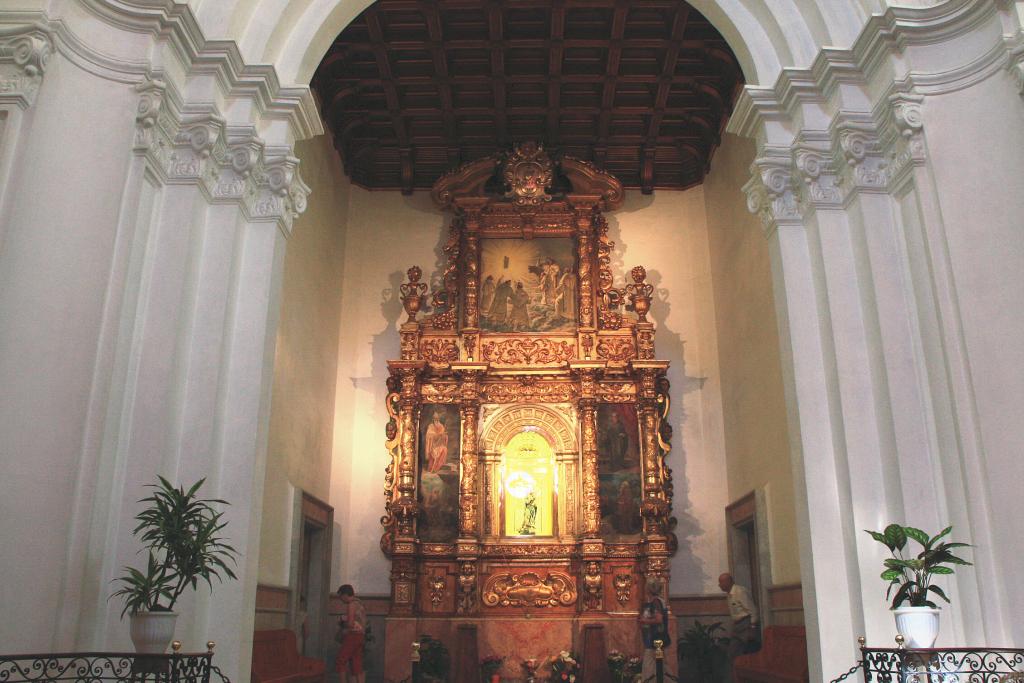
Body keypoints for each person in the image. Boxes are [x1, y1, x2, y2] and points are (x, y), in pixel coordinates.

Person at [719, 572, 760, 656]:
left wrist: (752, 628)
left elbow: (752, 610)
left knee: (748, 652)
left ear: (728, 582)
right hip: (737, 626)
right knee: (733, 652)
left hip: (746, 624)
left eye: (721, 582)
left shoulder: (740, 591)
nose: (719, 585)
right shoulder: (729, 594)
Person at [639, 576, 670, 682]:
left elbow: (659, 619)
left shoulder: (656, 602)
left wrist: (644, 621)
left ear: (649, 588)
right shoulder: (656, 601)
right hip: (652, 639)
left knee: (650, 668)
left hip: (655, 640)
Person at [335, 584, 367, 683]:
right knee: (357, 664)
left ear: (345, 595)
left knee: (341, 661)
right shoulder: (359, 603)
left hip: (353, 635)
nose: (341, 600)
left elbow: (350, 623)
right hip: (361, 635)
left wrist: (341, 621)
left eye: (340, 597)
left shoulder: (351, 604)